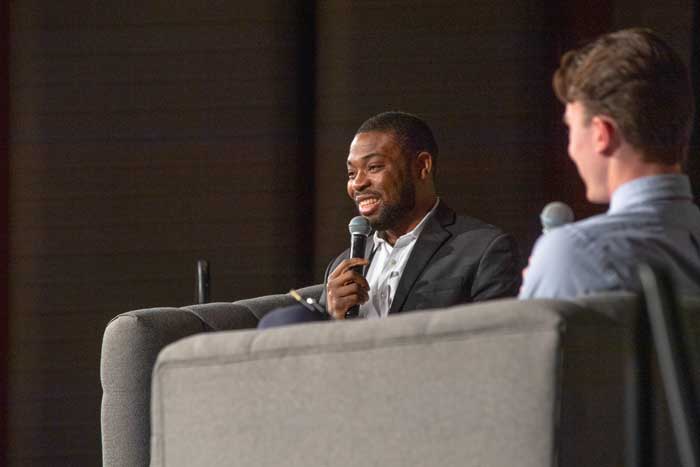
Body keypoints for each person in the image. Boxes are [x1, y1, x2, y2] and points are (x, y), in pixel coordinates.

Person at [260, 111, 521, 327]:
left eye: (374, 167)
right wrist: (333, 317)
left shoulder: (484, 250)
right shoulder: (342, 265)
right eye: (352, 174)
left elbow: (495, 348)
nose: (358, 184)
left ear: (422, 166)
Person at [519, 28, 700, 299]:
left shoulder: (576, 254)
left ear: (602, 134)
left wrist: (550, 271)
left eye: (570, 129)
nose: (571, 149)